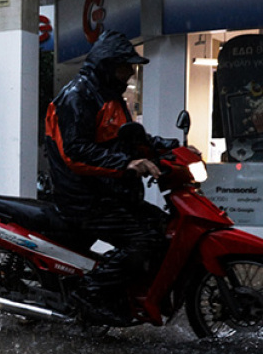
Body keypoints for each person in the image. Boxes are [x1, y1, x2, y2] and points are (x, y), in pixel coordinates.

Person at [43, 30, 178, 324]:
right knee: (143, 238)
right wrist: (126, 164)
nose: (131, 72)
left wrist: (171, 149)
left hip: (108, 193)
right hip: (83, 198)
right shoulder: (78, 96)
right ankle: (91, 293)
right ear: (107, 65)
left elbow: (129, 139)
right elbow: (76, 153)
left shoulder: (110, 96)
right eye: (125, 66)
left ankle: (134, 292)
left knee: (161, 226)